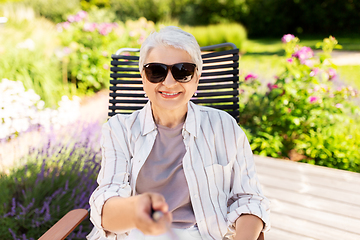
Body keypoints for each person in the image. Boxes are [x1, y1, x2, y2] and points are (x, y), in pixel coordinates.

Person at [87, 26, 270, 240]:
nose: (169, 82)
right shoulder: (118, 129)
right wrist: (137, 211)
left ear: (196, 78)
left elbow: (249, 199)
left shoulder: (224, 126)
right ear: (143, 77)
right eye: (156, 71)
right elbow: (106, 207)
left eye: (183, 71)